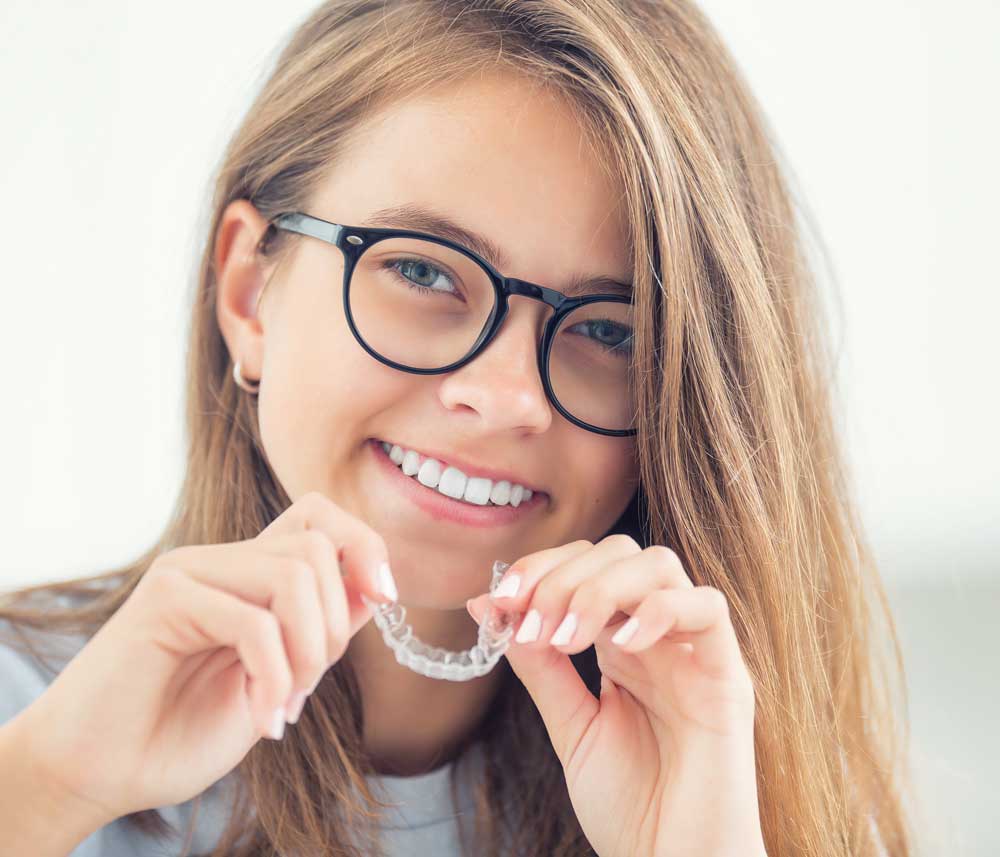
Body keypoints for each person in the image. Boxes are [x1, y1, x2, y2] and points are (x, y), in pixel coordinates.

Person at [0, 1, 915, 855]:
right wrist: (41, 786)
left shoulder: (739, 800)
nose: (508, 394)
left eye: (607, 330)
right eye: (426, 273)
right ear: (249, 294)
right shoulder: (28, 723)